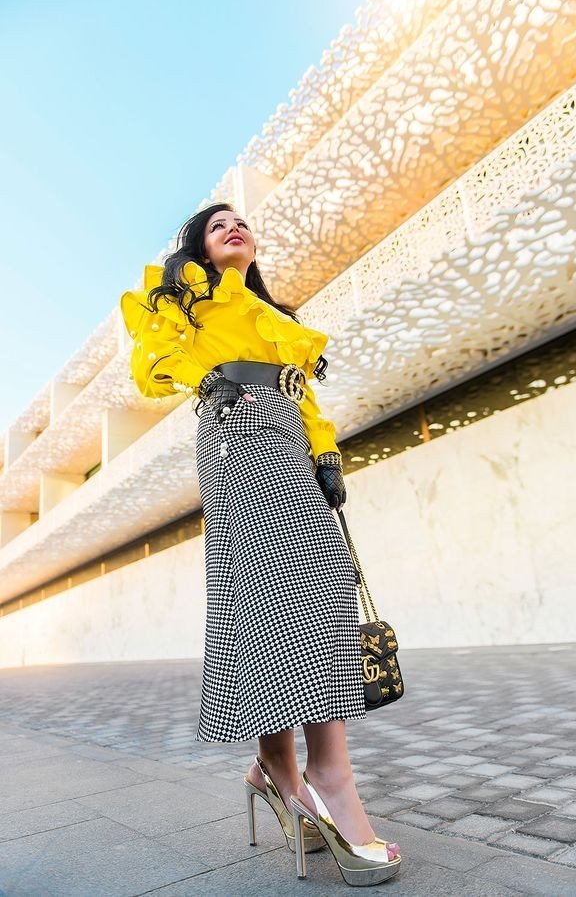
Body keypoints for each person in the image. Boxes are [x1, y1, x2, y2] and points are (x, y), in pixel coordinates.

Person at [120, 203, 401, 886]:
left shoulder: (276, 317)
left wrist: (327, 453)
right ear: (198, 246)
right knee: (270, 592)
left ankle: (273, 768)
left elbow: (305, 397)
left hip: (286, 436)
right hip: (233, 430)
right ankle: (323, 773)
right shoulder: (185, 297)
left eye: (241, 222)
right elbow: (149, 365)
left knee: (320, 584)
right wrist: (197, 364)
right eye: (217, 226)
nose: (234, 227)